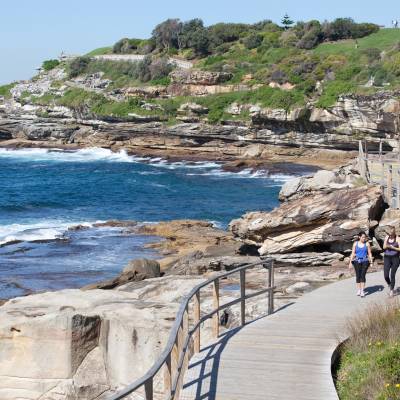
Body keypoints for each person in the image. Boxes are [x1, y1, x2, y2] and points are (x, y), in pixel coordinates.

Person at [349, 231, 373, 297]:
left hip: (365, 261)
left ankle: (362, 290)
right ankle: (359, 289)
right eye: (362, 237)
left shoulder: (367, 244)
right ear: (359, 237)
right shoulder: (355, 244)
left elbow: (370, 253)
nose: (364, 238)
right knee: (358, 275)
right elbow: (353, 253)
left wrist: (371, 262)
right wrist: (350, 262)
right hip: (356, 261)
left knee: (363, 275)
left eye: (365, 237)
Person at [383, 227, 400, 297]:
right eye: (389, 234)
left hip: (395, 258)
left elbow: (399, 248)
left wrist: (393, 248)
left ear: (393, 233)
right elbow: (384, 247)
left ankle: (392, 291)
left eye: (391, 234)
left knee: (392, 275)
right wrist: (387, 246)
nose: (390, 236)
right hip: (387, 257)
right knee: (386, 275)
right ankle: (390, 284)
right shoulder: (387, 237)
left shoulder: (398, 238)